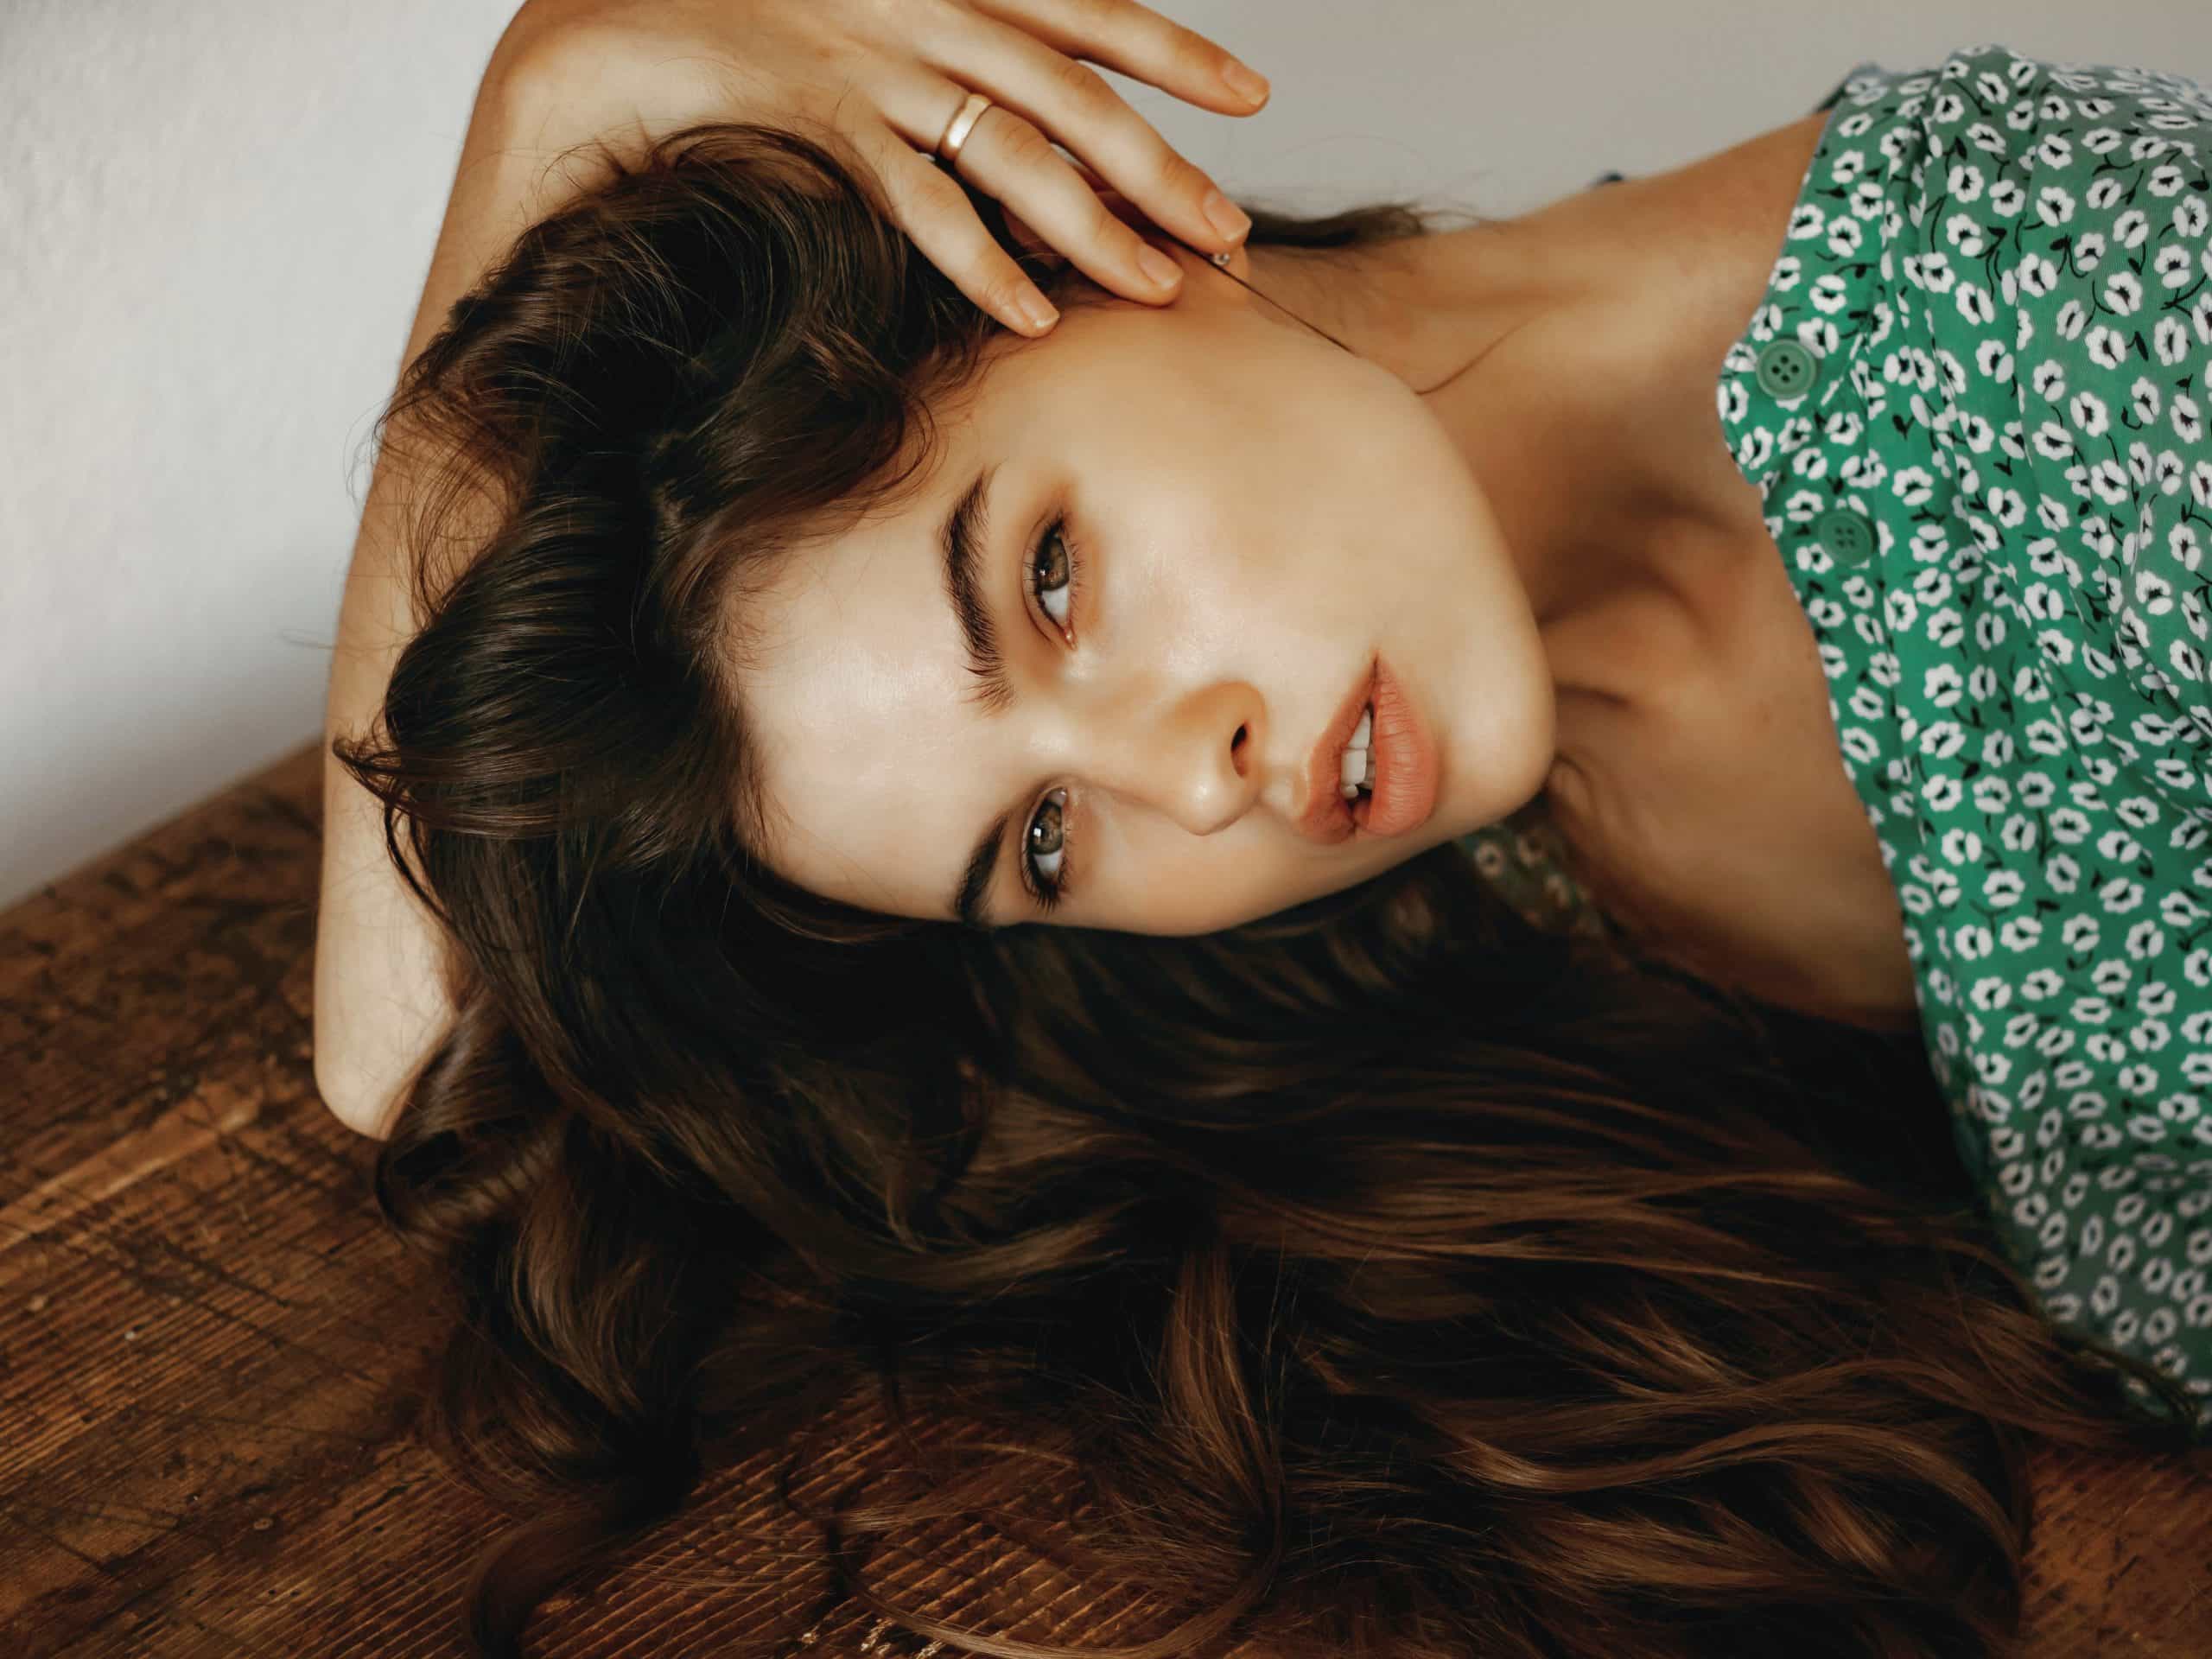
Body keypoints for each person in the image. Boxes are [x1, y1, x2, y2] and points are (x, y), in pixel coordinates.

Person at [312, 4, 2212, 1655]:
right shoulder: (1459, 844)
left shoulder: (2092, 320)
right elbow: (401, 1062)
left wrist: (570, 76)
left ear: (1103, 233)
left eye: (1051, 582)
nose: (1192, 779)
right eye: (1040, 844)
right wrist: (542, 122)